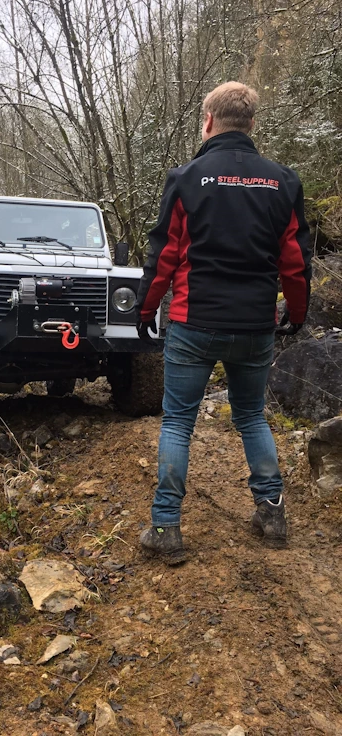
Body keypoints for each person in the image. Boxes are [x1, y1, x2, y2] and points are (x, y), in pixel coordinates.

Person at [135, 81, 311, 562]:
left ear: (209, 120)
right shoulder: (283, 181)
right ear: (252, 123)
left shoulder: (188, 178)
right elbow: (295, 260)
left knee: (178, 420)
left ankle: (166, 528)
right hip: (255, 324)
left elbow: (164, 255)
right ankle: (272, 513)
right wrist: (295, 314)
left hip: (194, 321)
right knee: (251, 416)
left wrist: (144, 311)